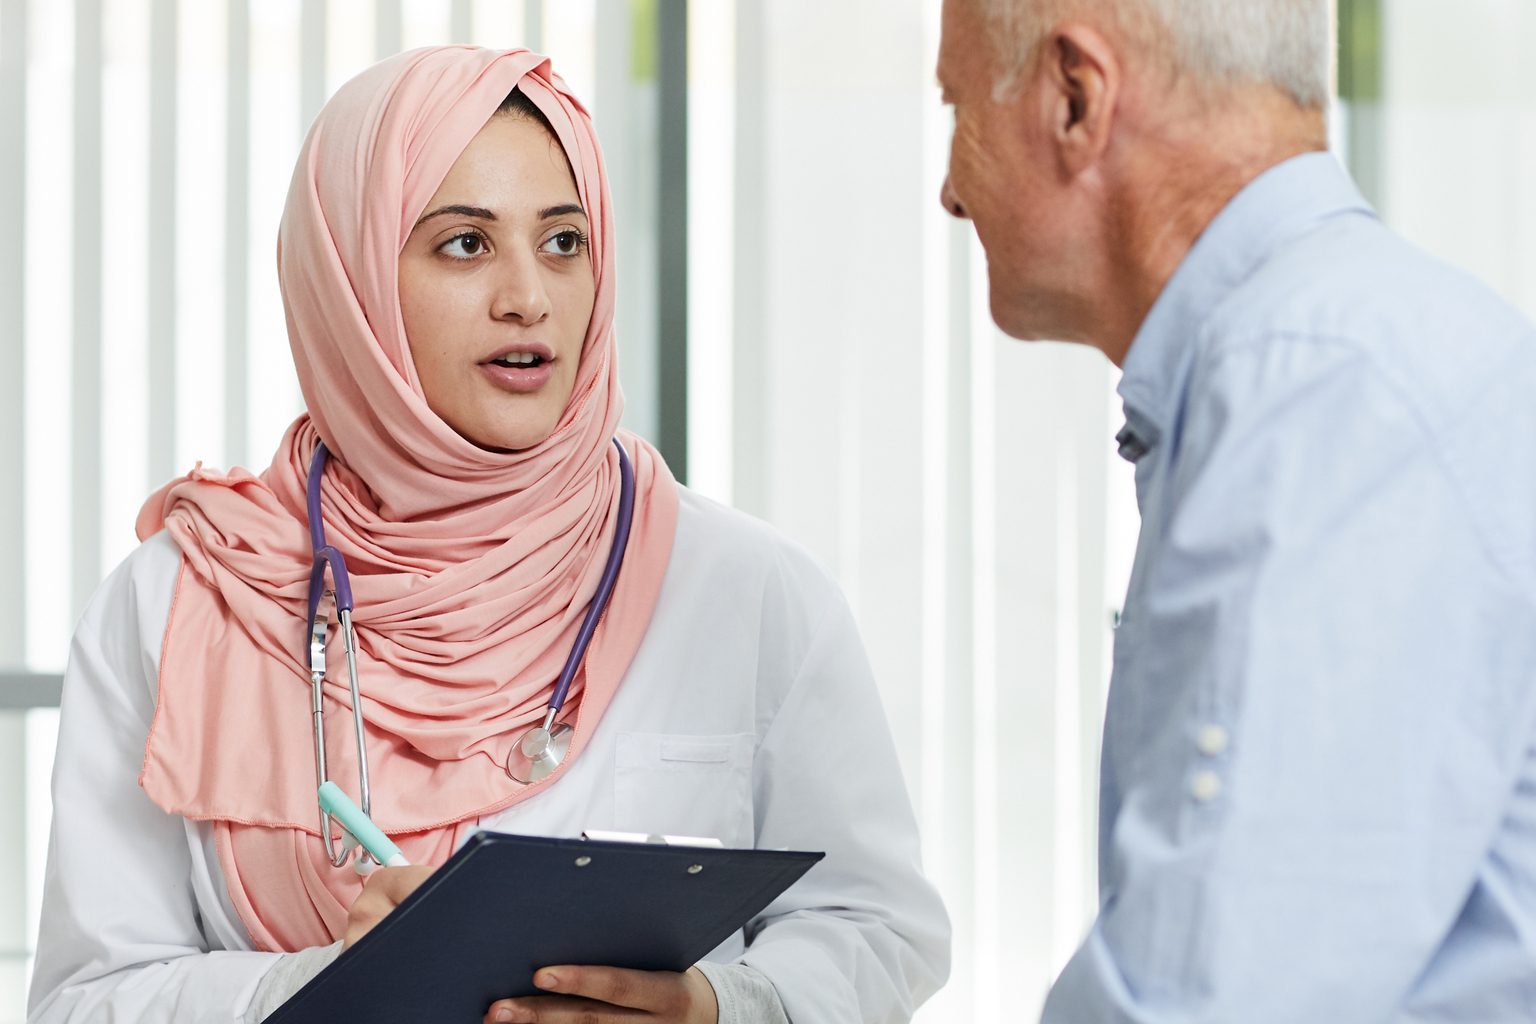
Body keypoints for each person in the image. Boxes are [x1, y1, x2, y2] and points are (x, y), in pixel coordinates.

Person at [28, 47, 948, 1024]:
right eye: (465, 244)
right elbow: (85, 999)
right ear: (352, 283)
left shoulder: (749, 592)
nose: (530, 297)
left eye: (563, 242)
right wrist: (327, 988)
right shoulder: (179, 601)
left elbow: (880, 927)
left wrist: (720, 1008)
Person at [939, 0, 1536, 1020]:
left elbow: (1208, 996)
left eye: (958, 111)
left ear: (1077, 96)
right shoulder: (1335, 354)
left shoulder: (1323, 389)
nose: (951, 190)